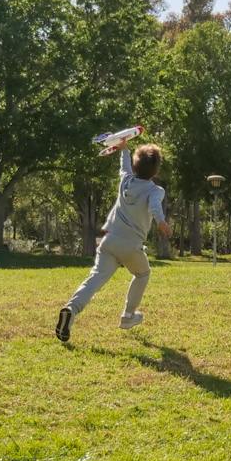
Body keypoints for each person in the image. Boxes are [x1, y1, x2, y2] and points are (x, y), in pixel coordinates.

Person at [57, 137, 170, 341]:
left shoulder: (126, 181)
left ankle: (71, 309)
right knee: (142, 274)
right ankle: (128, 316)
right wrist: (161, 222)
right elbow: (154, 207)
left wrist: (124, 149)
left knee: (95, 279)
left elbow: (124, 166)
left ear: (136, 167)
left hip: (109, 241)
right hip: (131, 245)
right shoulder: (156, 190)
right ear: (156, 171)